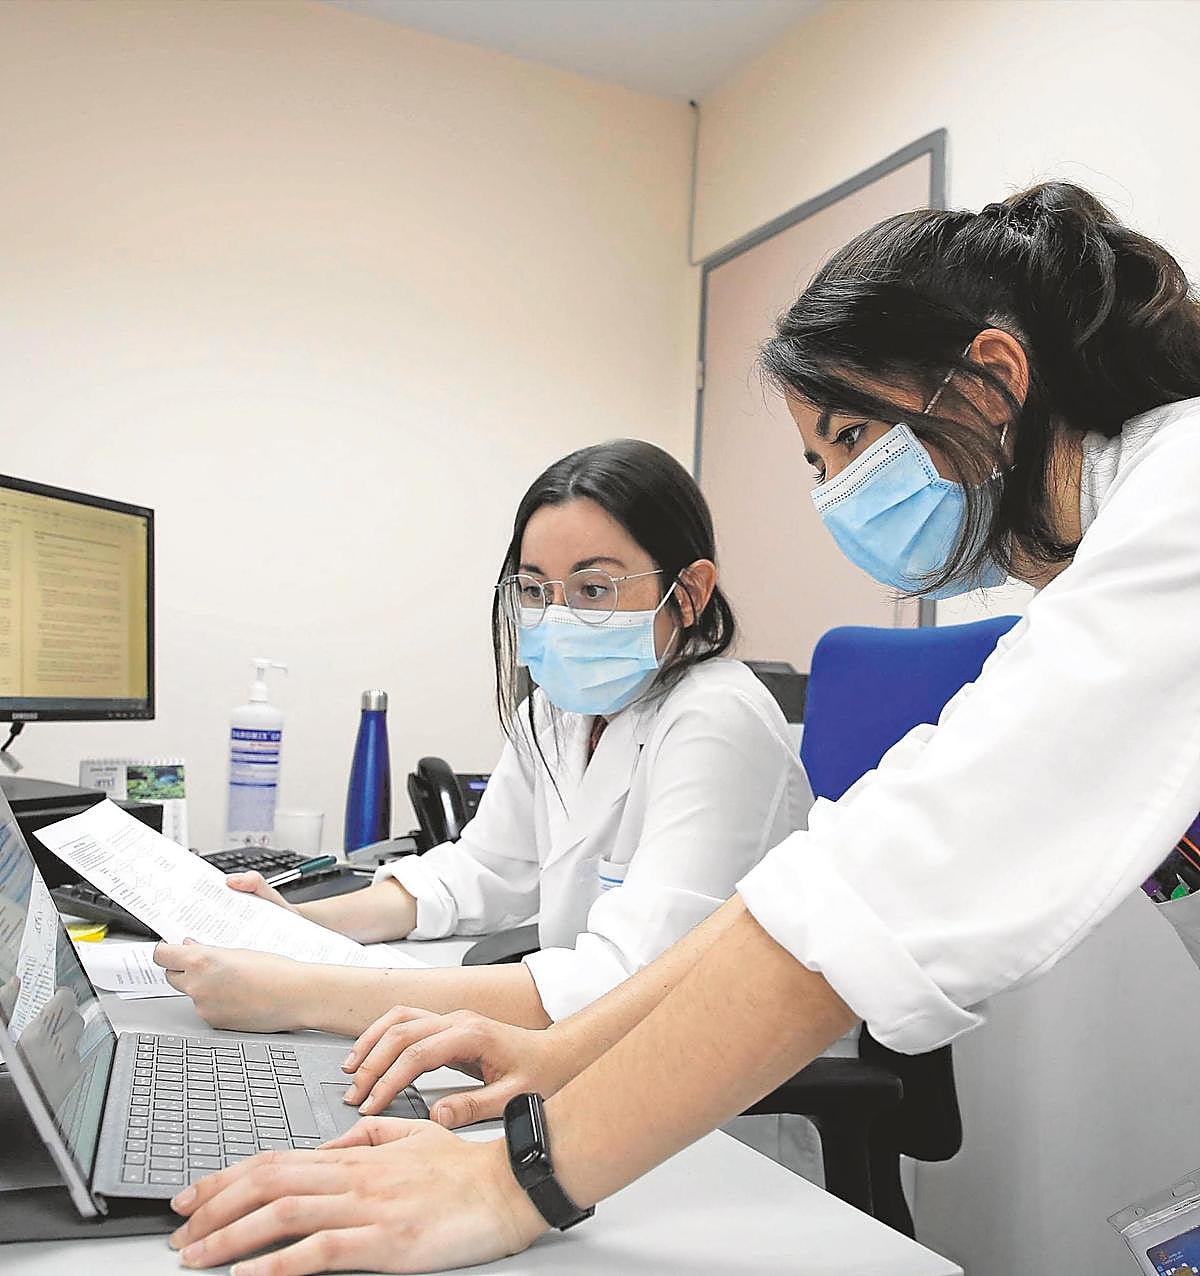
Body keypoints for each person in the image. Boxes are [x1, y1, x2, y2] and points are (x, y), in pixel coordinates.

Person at [168, 180, 1200, 1276]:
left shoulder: (1179, 509)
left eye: (854, 435)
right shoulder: (1128, 541)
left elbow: (862, 904)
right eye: (818, 461)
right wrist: (558, 1054)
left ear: (994, 380)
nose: (839, 493)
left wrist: (515, 1178)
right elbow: (812, 882)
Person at [155, 439, 812, 1065]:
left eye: (594, 590)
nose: (556, 618)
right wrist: (299, 926)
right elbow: (483, 872)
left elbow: (631, 981)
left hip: (714, 1092)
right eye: (535, 590)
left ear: (690, 592)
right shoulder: (557, 715)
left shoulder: (718, 719)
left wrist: (302, 993)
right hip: (584, 1057)